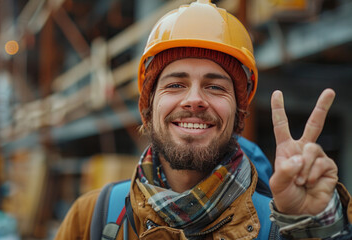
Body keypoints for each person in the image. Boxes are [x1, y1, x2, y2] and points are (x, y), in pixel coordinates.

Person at [55, 0, 352, 239]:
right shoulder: (91, 219)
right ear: (148, 106)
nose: (194, 99)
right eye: (175, 84)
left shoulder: (282, 225)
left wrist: (314, 227)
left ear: (238, 113)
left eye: (215, 86)